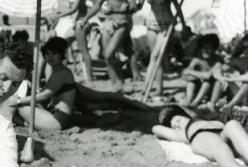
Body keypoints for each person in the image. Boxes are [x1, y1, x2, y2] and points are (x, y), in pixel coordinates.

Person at [14, 37, 150, 132]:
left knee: (16, 106)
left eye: (54, 54)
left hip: (57, 120)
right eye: (48, 54)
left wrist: (20, 100)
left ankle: (136, 105)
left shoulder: (61, 72)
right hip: (59, 116)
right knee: (103, 102)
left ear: (62, 55)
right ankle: (133, 106)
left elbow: (45, 95)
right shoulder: (57, 72)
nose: (50, 58)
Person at [80, 0, 137, 92]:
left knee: (109, 53)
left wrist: (121, 9)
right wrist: (86, 18)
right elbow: (97, 5)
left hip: (122, 23)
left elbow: (133, 7)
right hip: (108, 23)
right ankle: (117, 84)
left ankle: (122, 81)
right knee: (108, 57)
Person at [152, 105, 248, 167]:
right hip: (201, 136)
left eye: (178, 120)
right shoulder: (182, 133)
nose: (177, 125)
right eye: (173, 126)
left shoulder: (204, 117)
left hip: (222, 132)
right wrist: (167, 123)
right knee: (215, 143)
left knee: (232, 125)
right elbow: (155, 129)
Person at [137, 0, 186, 97]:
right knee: (155, 57)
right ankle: (156, 88)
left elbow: (176, 5)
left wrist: (183, 24)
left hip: (166, 24)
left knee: (155, 56)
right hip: (151, 22)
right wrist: (136, 5)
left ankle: (149, 87)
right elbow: (141, 4)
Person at [50, 0, 92, 83]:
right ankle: (62, 73)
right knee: (62, 46)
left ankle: (89, 77)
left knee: (83, 50)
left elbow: (74, 8)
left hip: (81, 21)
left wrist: (58, 16)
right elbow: (70, 7)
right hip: (73, 22)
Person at [182, 33, 222, 110]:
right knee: (191, 81)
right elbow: (184, 74)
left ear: (214, 49)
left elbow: (208, 75)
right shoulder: (197, 60)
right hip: (198, 88)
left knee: (206, 82)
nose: (205, 50)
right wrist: (194, 75)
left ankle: (194, 103)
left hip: (211, 89)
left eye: (208, 48)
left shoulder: (217, 61)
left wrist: (191, 72)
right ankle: (188, 100)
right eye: (203, 48)